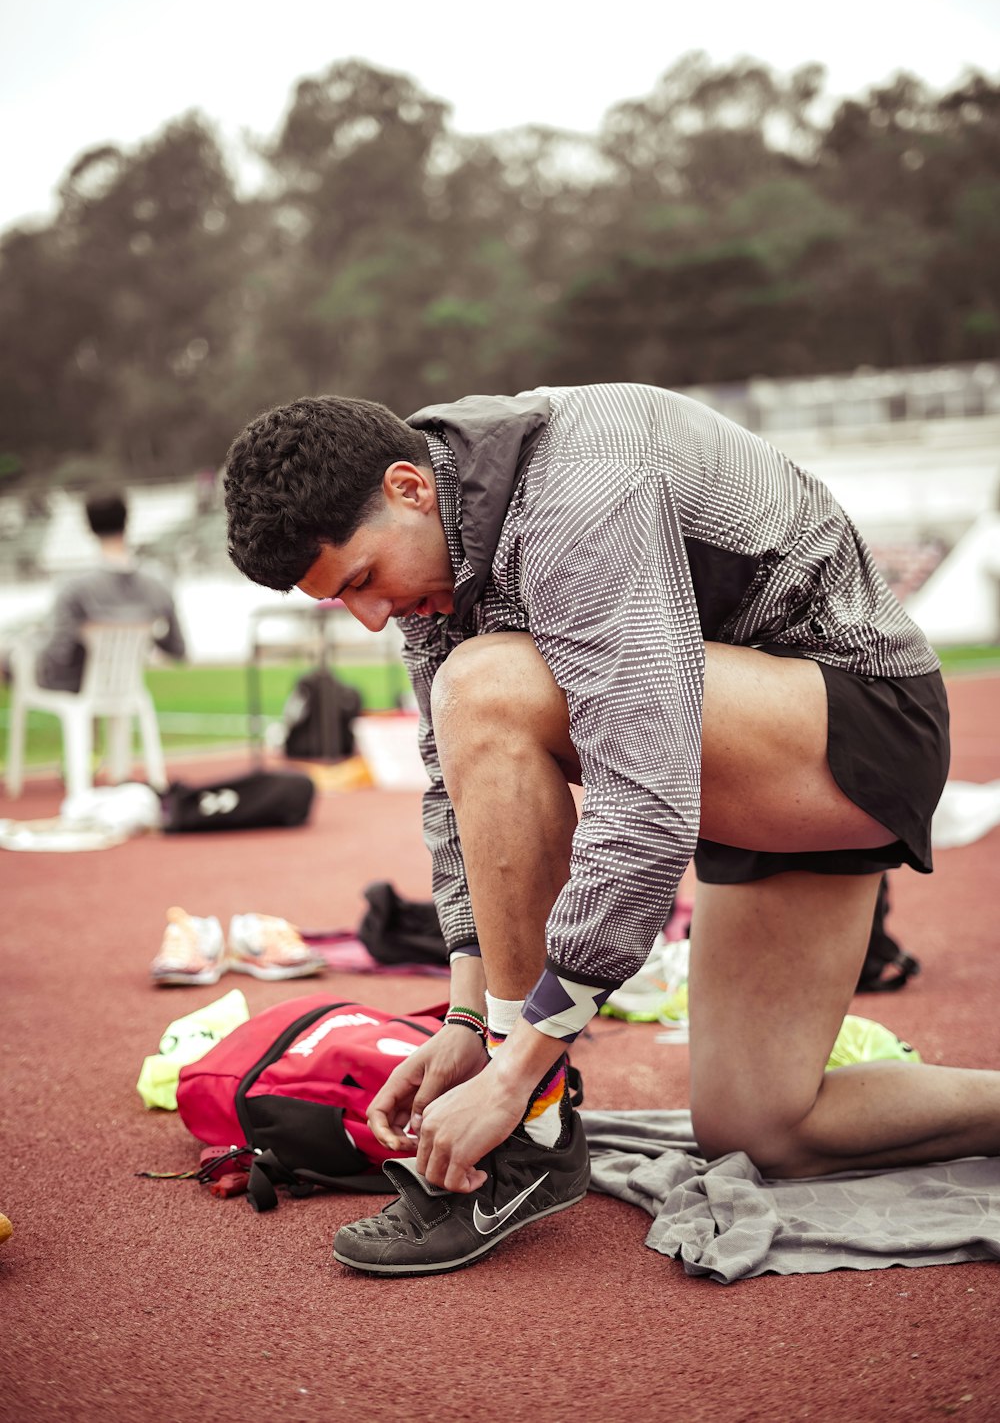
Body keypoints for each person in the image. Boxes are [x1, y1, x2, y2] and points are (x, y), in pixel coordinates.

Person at [224, 383, 999, 1277]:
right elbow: (455, 792)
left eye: (362, 580)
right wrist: (468, 1018)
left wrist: (521, 1071)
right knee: (763, 1130)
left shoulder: (577, 493)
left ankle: (536, 1135)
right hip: (744, 759)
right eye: (341, 603)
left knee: (484, 682)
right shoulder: (445, 548)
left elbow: (645, 803)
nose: (369, 615)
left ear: (409, 487)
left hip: (855, 725)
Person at [33, 490, 186, 691]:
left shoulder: (73, 588)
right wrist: (141, 636)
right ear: (126, 521)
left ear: (89, 527)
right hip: (127, 685)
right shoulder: (159, 583)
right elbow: (178, 649)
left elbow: (59, 653)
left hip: (79, 686)